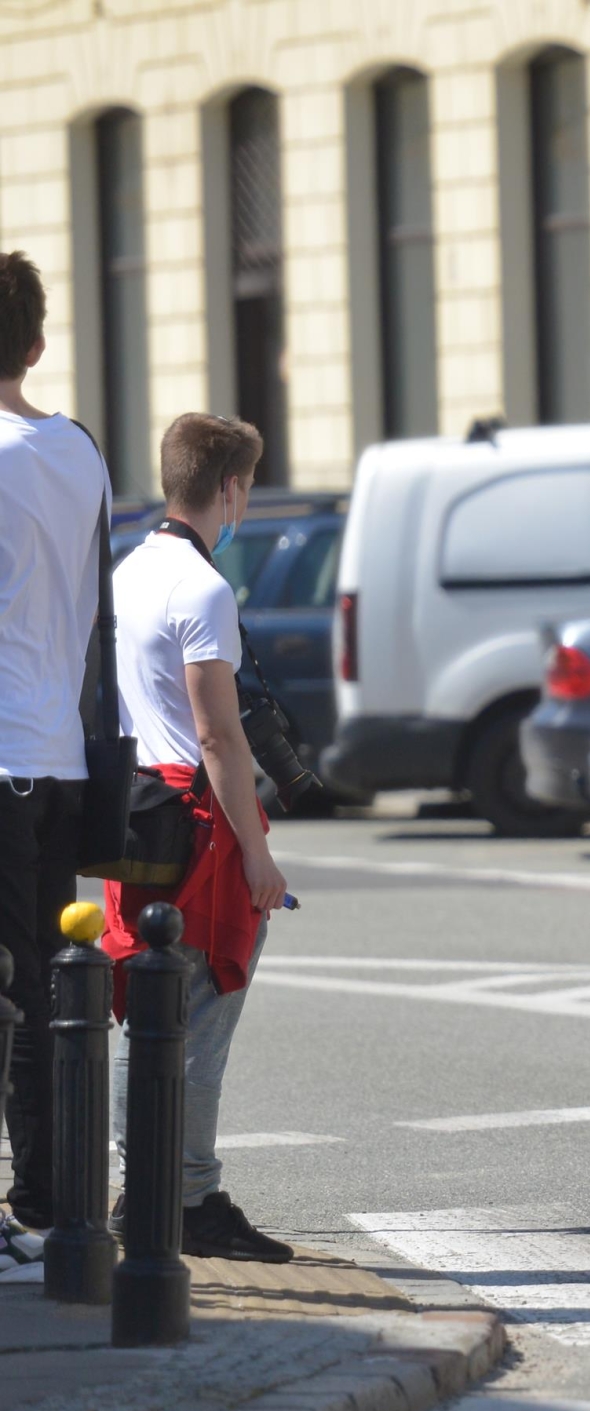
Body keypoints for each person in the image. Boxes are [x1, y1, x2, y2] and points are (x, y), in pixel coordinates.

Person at [101, 413, 293, 1262]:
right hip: (197, 817)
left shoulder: (130, 569)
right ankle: (189, 1198)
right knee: (206, 1008)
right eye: (246, 485)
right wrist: (258, 851)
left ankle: (134, 1187)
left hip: (134, 808)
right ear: (228, 489)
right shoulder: (204, 587)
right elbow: (219, 734)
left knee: (136, 1008)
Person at [0, 252, 109, 1237]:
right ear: (35, 345)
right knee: (33, 987)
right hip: (59, 754)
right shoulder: (77, 450)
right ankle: (43, 1200)